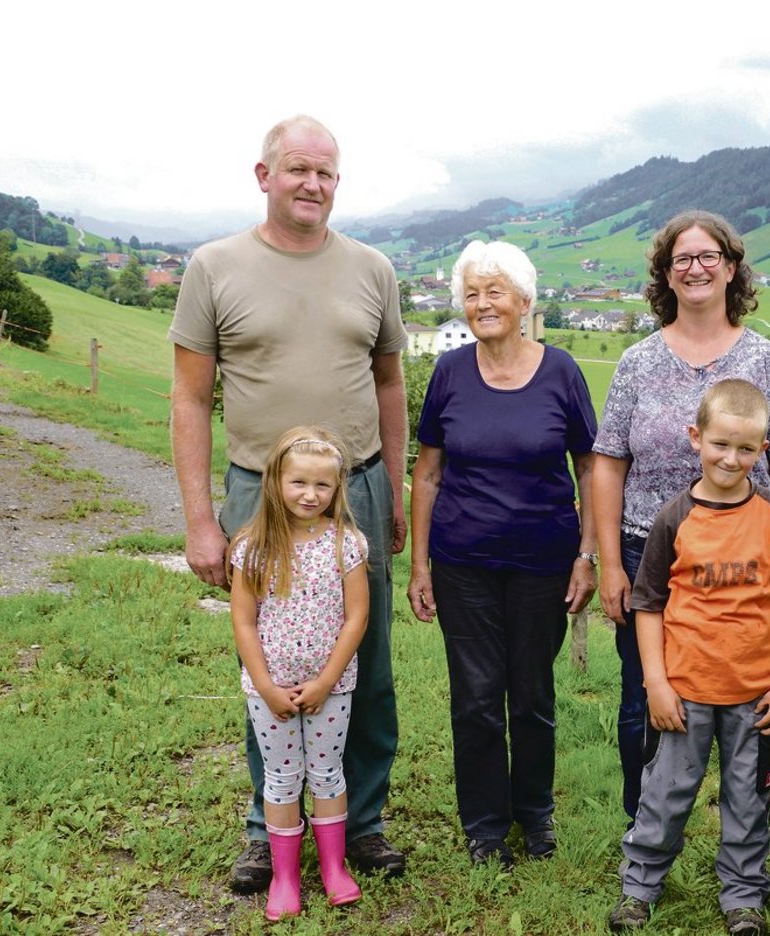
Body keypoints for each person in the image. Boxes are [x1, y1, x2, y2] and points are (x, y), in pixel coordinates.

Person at [168, 114, 409, 892]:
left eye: (326, 173)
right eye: (298, 169)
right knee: (264, 658)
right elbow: (189, 396)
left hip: (358, 485)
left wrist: (394, 489)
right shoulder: (215, 266)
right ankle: (266, 826)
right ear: (264, 175)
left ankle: (361, 823)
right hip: (258, 494)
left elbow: (390, 385)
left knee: (364, 661)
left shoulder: (373, 269)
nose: (313, 184)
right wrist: (203, 518)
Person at [592, 210, 770, 821]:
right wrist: (610, 563)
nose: (695, 268)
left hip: (744, 557)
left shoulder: (765, 359)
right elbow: (608, 463)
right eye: (681, 259)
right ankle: (645, 832)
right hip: (647, 555)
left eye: (708, 256)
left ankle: (744, 830)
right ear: (665, 273)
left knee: (749, 695)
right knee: (645, 695)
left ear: (731, 267)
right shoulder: (636, 361)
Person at [407, 239, 598, 869]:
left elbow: (590, 467)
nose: (482, 303)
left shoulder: (562, 372)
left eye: (495, 291)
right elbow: (428, 473)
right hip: (463, 563)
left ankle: (535, 816)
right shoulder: (449, 373)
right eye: (472, 293)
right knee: (476, 697)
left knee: (533, 694)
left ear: (523, 300)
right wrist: (419, 566)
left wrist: (587, 553)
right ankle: (485, 826)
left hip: (544, 561)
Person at [607, 379, 770, 935]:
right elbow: (648, 604)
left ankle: (744, 897)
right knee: (666, 795)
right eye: (721, 444)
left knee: (749, 800)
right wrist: (655, 680)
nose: (732, 458)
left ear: (763, 450)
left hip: (755, 695)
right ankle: (639, 888)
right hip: (685, 692)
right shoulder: (674, 519)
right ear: (695, 437)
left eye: (747, 449)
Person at [230, 427, 368, 921]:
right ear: (275, 482)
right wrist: (265, 686)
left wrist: (328, 680)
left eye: (322, 486)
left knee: (328, 774)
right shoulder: (253, 546)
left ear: (336, 490)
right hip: (270, 690)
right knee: (282, 778)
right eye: (299, 483)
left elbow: (357, 617)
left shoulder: (346, 544)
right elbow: (244, 621)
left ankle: (334, 869)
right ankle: (285, 877)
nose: (310, 495)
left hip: (330, 686)